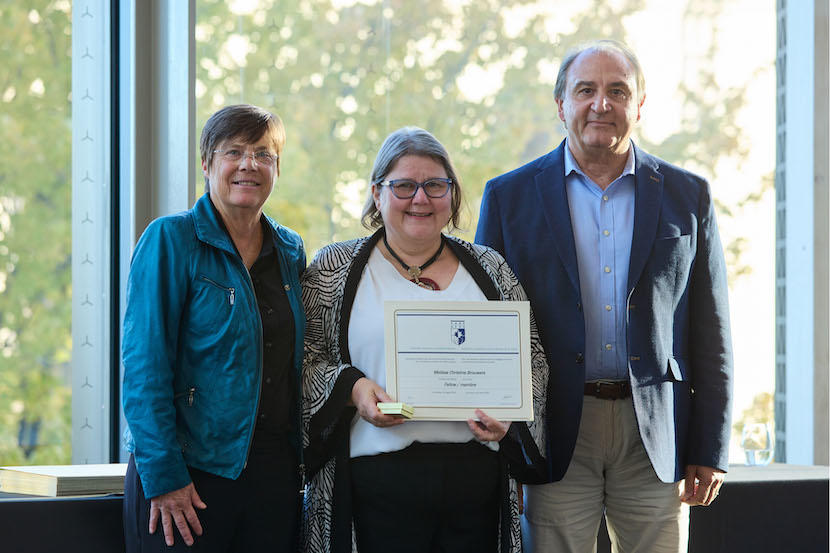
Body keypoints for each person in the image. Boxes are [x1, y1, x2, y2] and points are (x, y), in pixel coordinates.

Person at [475, 39, 734, 552]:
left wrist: (711, 446)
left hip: (655, 430)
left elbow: (712, 332)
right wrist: (507, 450)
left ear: (639, 105)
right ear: (561, 104)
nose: (601, 104)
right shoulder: (509, 197)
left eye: (618, 91)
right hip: (553, 429)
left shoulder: (689, 197)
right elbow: (489, 331)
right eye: (586, 90)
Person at [301, 127, 548, 553]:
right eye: (404, 186)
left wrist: (510, 418)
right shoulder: (334, 267)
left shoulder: (490, 268)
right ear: (377, 193)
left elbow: (533, 358)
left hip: (474, 489)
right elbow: (303, 358)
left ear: (452, 195)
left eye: (435, 185)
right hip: (374, 487)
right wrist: (354, 389)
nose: (420, 198)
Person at [121, 104, 306, 552]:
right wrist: (164, 478)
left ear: (276, 167)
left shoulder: (290, 250)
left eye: (263, 154)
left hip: (272, 479)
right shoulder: (171, 239)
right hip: (187, 478)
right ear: (206, 164)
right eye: (234, 151)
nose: (249, 164)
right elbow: (144, 367)